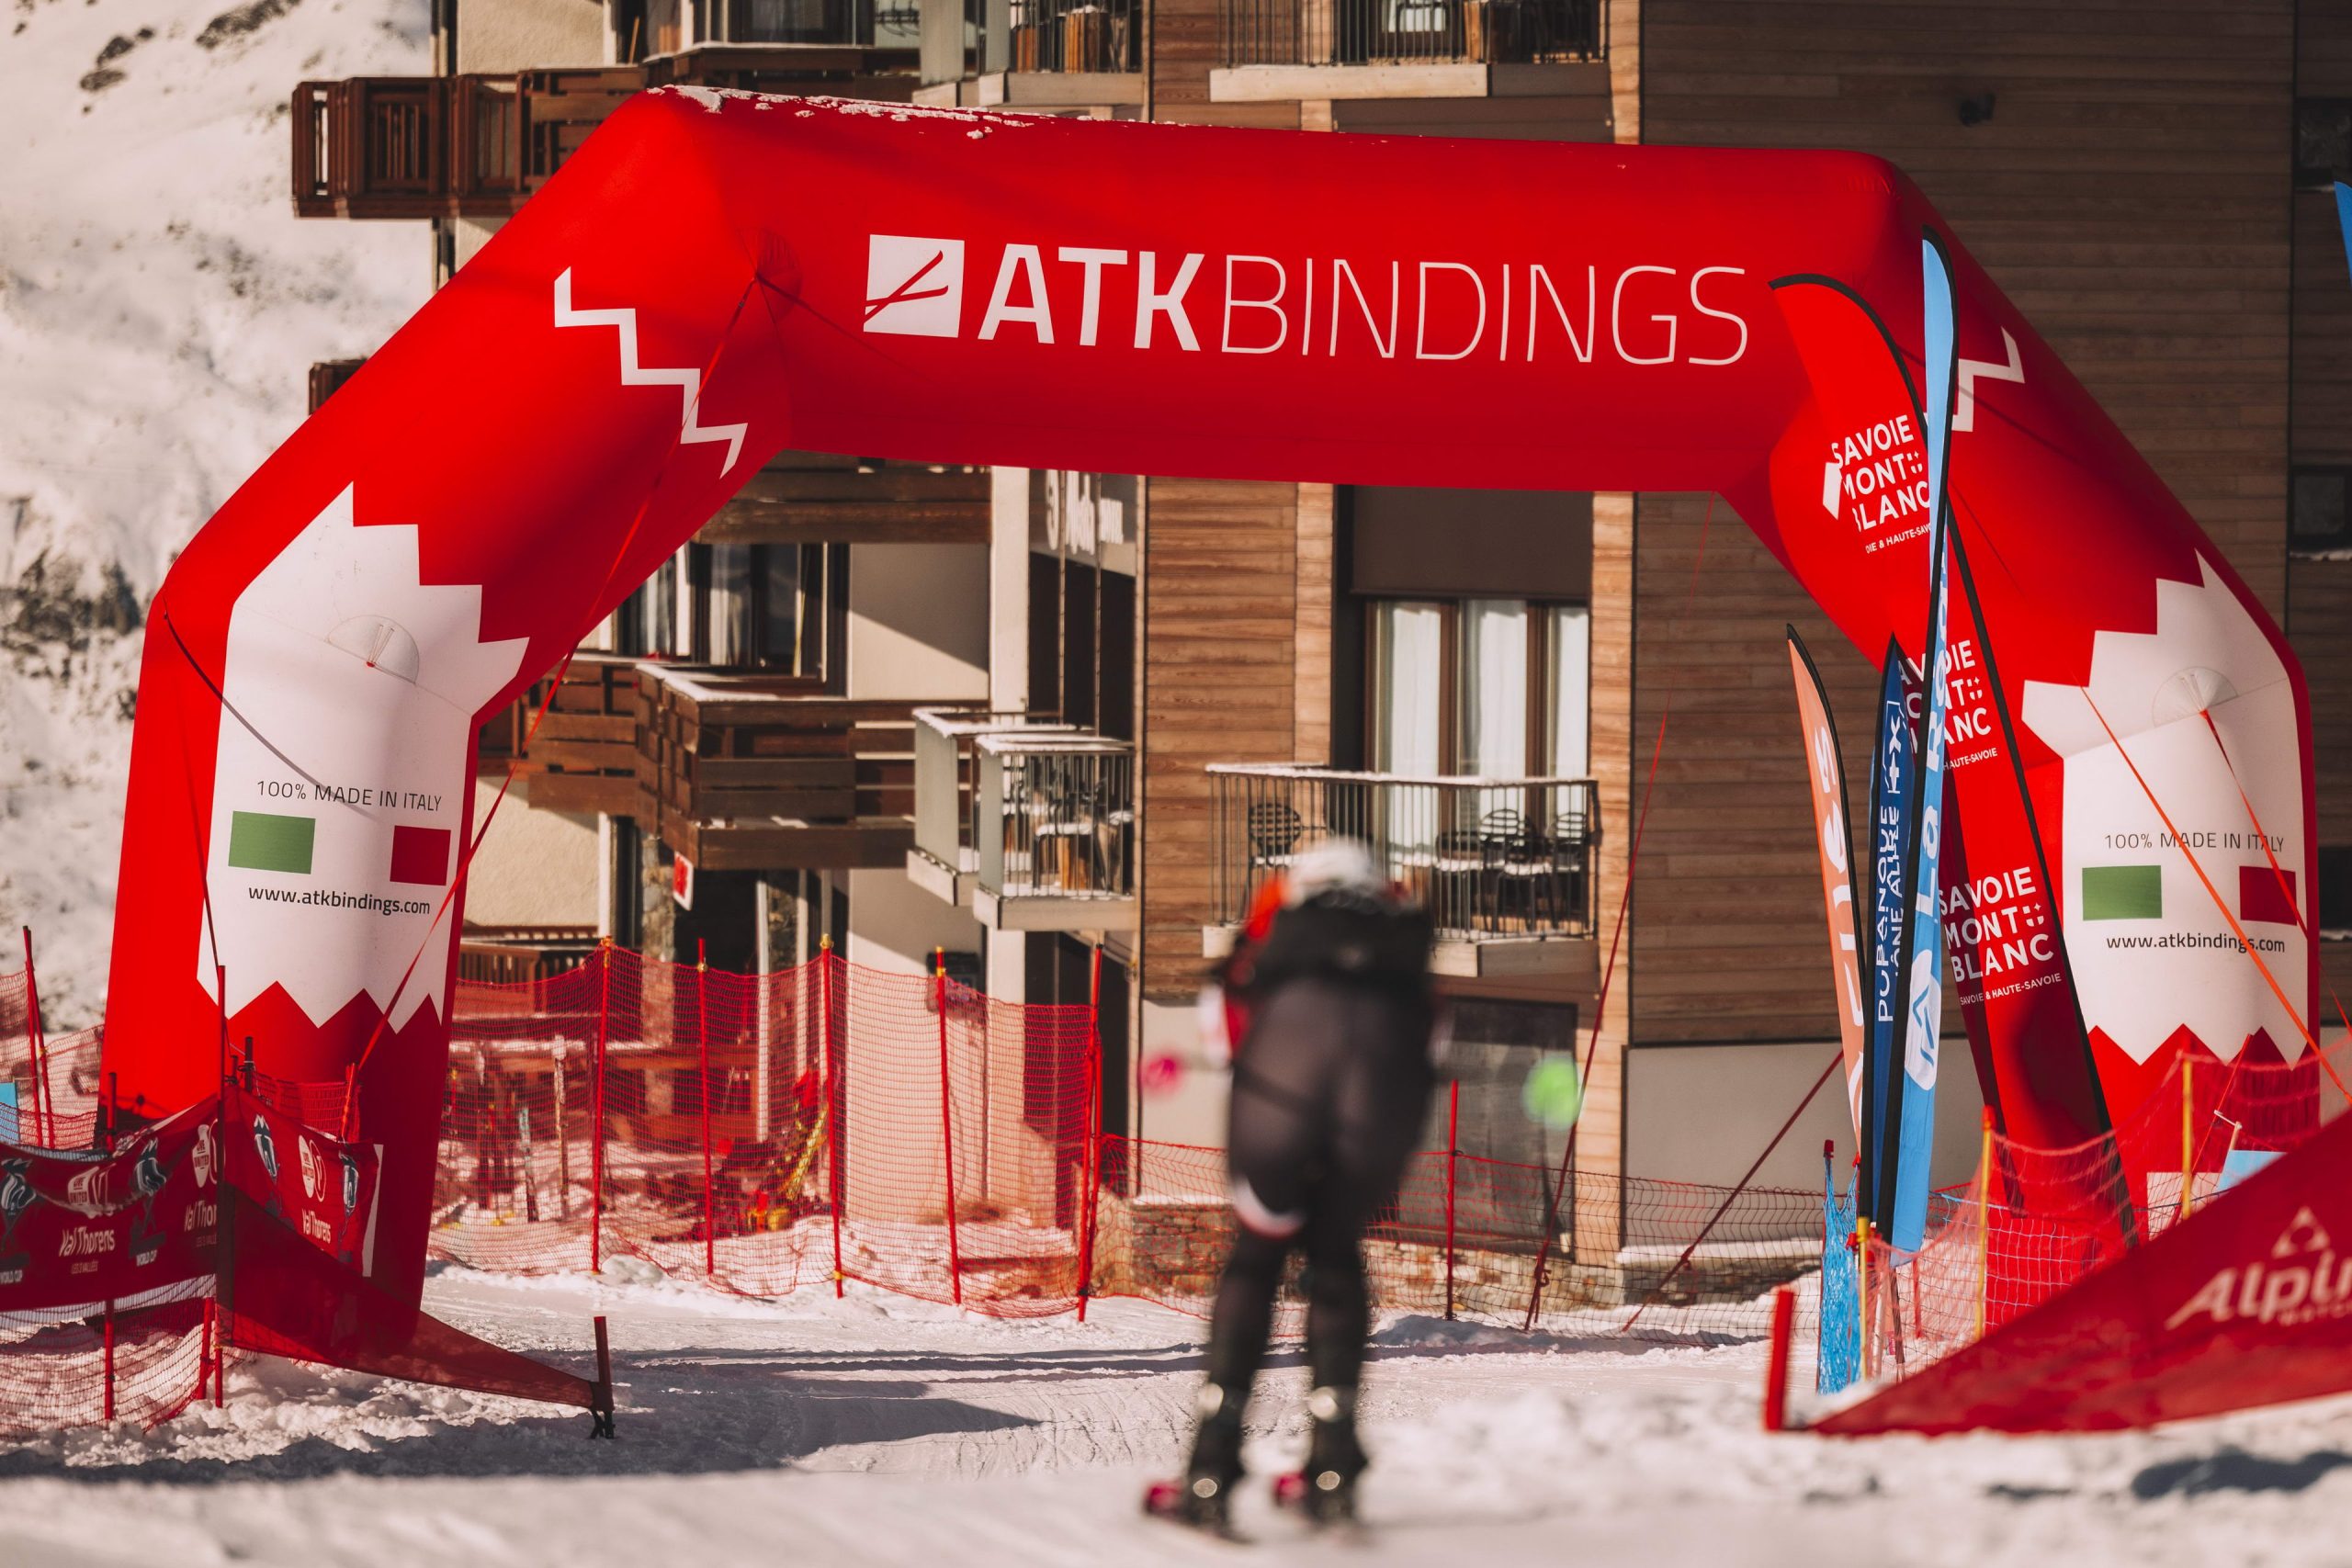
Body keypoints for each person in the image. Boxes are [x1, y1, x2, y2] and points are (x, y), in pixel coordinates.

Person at [1159, 837, 1440, 1530]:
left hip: (1282, 1083)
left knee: (1257, 1254)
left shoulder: (1273, 930)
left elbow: (1226, 1039)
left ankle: (1209, 1472)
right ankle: (1334, 1468)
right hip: (1381, 1097)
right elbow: (1429, 1048)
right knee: (1337, 1253)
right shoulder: (1402, 942)